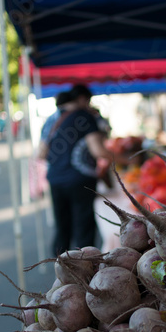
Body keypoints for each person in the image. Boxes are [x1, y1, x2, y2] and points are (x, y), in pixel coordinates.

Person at [45, 84, 113, 256]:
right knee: (83, 229)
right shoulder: (85, 116)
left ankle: (61, 273)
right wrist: (120, 158)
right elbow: (98, 150)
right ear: (83, 99)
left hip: (55, 179)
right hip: (80, 180)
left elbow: (41, 153)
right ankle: (84, 275)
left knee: (62, 228)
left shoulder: (52, 119)